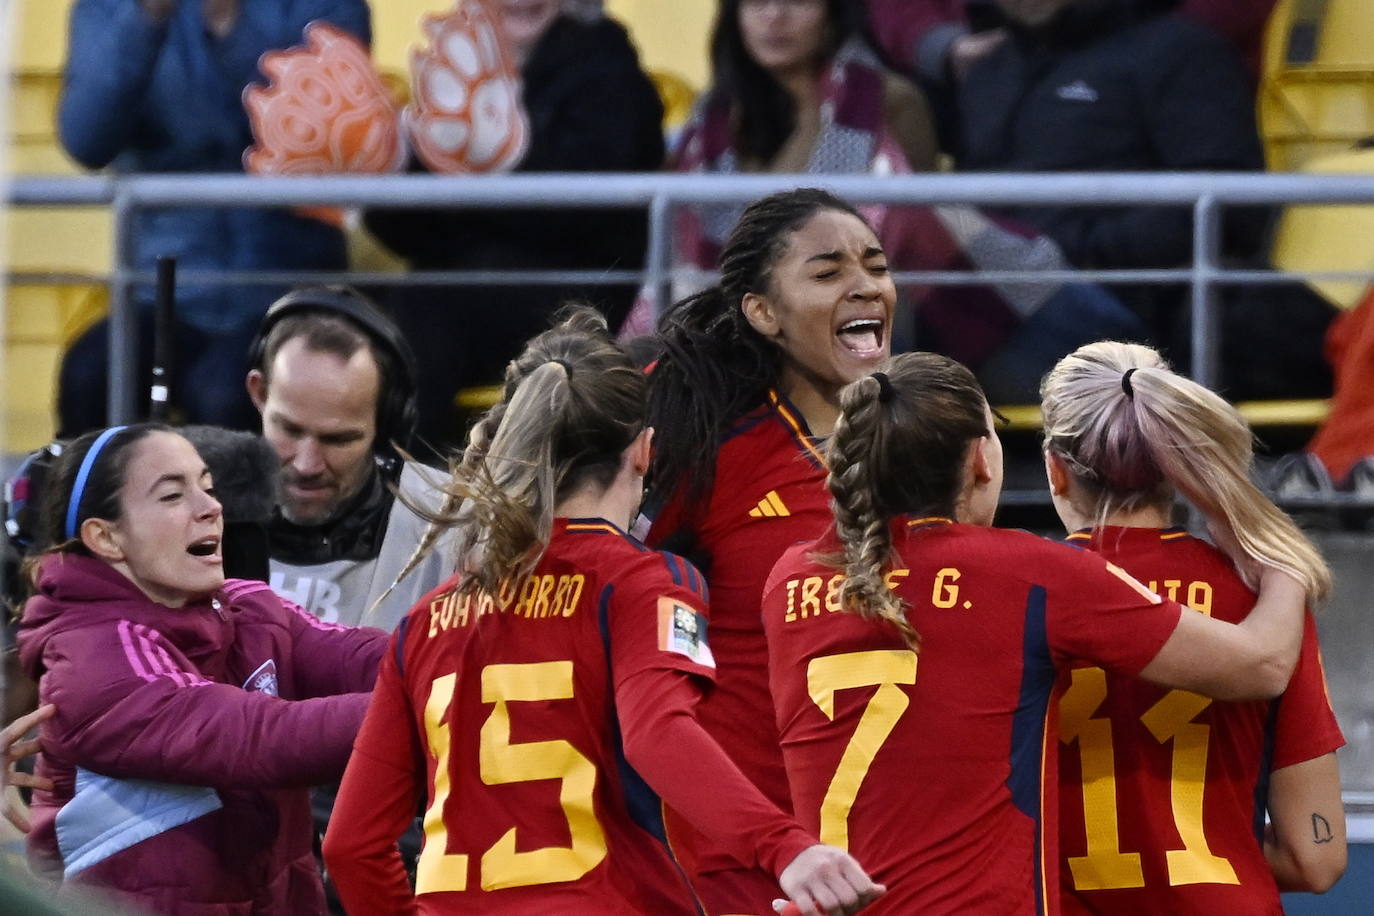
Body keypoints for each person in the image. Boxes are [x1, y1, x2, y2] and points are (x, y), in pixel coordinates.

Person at [321, 308, 885, 916]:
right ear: (644, 450)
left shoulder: (426, 619)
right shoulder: (644, 582)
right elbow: (657, 734)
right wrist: (786, 848)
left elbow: (350, 845)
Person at [761, 350, 1316, 914]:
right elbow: (1263, 666)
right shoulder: (1028, 573)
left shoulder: (788, 580)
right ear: (980, 459)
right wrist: (1284, 561)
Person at [657, 2, 1142, 402]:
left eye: (798, 2)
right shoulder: (711, 123)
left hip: (978, 316)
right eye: (756, 3)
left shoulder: (889, 99)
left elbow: (914, 236)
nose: (774, 17)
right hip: (782, 328)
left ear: (833, 14)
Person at [640, 188, 894, 913]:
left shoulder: (919, 444)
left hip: (894, 850)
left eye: (876, 266)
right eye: (828, 272)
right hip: (749, 863)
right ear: (762, 312)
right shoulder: (705, 452)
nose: (865, 286)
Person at [16, 423, 388, 914]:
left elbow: (367, 657)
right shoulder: (91, 658)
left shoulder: (248, 608)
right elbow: (260, 738)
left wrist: (464, 656)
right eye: (173, 495)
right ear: (106, 537)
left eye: (207, 487)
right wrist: (434, 702)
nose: (211, 507)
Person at [1040, 341, 1346, 910]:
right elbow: (1316, 857)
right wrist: (1210, 856)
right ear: (1172, 460)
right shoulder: (1266, 600)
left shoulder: (1018, 592)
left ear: (1055, 470)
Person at [55, 0, 370, 433]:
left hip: (286, 288)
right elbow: (85, 139)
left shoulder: (328, 4)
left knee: (225, 393)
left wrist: (227, 23)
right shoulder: (107, 6)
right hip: (160, 291)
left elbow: (329, 128)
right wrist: (147, 18)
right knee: (89, 376)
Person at [365, 0, 665, 453]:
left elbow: (586, 216)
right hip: (462, 290)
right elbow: (405, 232)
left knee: (426, 303)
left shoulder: (610, 74)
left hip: (574, 298)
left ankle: (399, 470)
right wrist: (381, 171)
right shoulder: (452, 75)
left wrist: (493, 172)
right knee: (362, 312)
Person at [954, 0, 1265, 352]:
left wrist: (1081, 252)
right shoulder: (990, 72)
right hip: (991, 294)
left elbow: (1227, 204)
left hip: (1120, 306)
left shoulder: (1180, 51)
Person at [246, 287, 452, 631]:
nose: (306, 465)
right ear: (259, 393)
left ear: (386, 422)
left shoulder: (453, 528)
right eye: (289, 430)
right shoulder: (191, 509)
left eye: (338, 439)